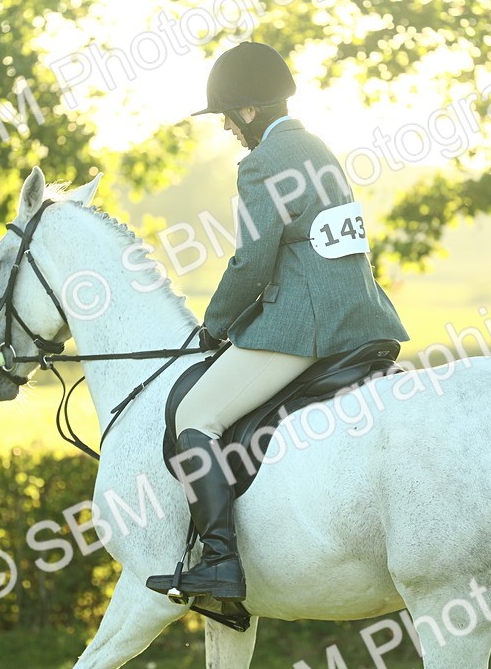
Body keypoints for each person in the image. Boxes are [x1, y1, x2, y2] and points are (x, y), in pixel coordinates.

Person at [145, 41, 409, 602]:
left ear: (247, 111)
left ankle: (218, 561)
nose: (226, 131)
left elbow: (251, 264)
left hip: (306, 329)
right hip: (363, 316)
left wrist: (215, 327)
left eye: (226, 118)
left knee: (195, 416)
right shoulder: (319, 149)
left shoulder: (263, 164)